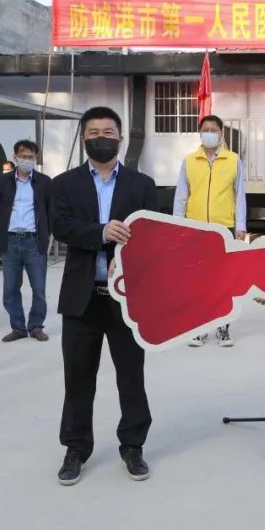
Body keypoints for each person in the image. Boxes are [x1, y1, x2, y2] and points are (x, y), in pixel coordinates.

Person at [52, 106, 159, 486]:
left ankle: (133, 446)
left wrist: (129, 255)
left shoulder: (141, 185)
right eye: (94, 132)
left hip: (126, 299)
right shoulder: (64, 184)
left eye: (108, 132)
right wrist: (101, 232)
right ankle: (76, 448)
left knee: (131, 377)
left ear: (120, 138)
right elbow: (61, 226)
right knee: (78, 379)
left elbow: (153, 234)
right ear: (83, 138)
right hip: (81, 298)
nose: (101, 138)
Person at [173, 114, 247, 348]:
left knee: (223, 279)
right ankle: (200, 327)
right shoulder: (189, 161)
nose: (209, 133)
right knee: (197, 280)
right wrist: (177, 226)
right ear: (200, 133)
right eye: (205, 129)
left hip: (223, 228)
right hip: (195, 229)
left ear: (221, 133)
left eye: (214, 130)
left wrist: (240, 226)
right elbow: (181, 195)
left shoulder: (233, 160)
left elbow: (240, 195)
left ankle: (223, 327)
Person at [0, 139, 53, 343]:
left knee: (38, 288)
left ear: (35, 159)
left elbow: (50, 210)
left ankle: (36, 326)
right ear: (15, 157)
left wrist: (46, 234)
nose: (26, 160)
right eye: (23, 156)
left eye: (30, 157)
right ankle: (18, 327)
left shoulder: (45, 182)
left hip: (33, 241)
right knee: (10, 289)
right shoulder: (4, 181)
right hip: (11, 240)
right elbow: (0, 207)